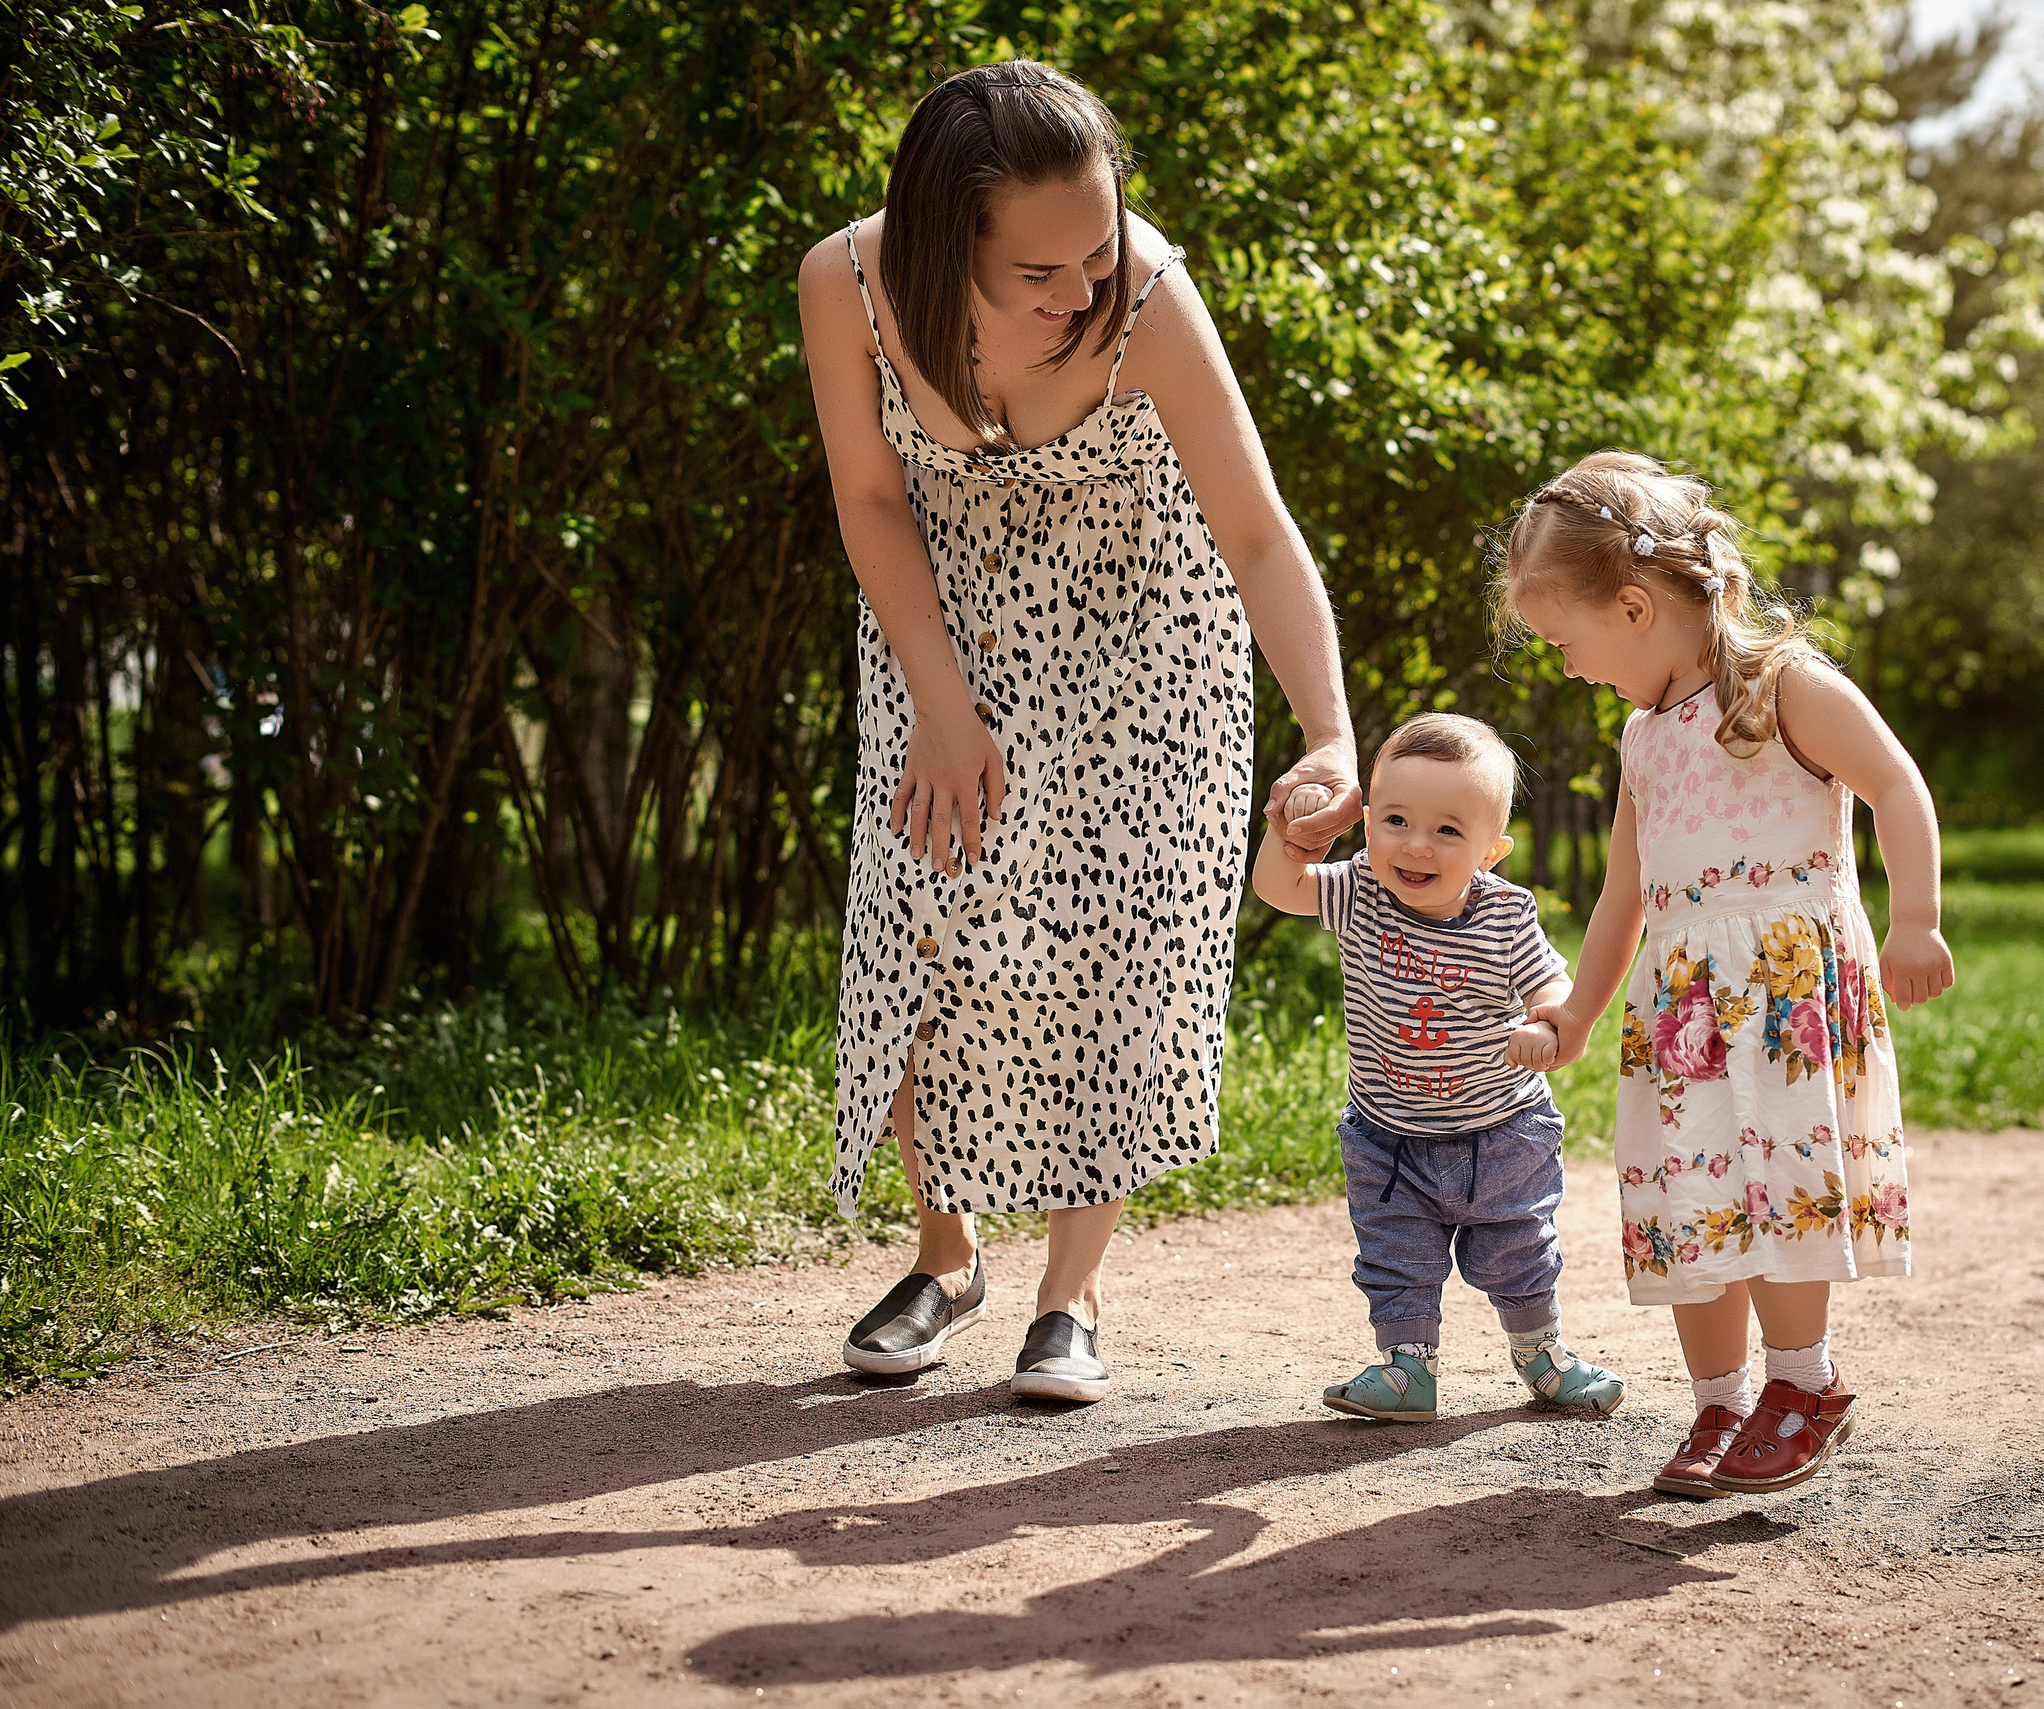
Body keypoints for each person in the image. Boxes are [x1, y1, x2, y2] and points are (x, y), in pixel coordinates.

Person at [798, 61, 1360, 1403]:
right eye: (1038, 271)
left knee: (1115, 949)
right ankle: (946, 1259)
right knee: (919, 926)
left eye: (1096, 250)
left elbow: (1256, 532)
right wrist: (942, 708)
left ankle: (1072, 1292)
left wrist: (1331, 732)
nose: (1079, 289)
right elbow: (869, 500)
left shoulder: (1147, 300)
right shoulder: (848, 285)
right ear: (946, 240)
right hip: (945, 629)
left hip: (1145, 641)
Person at [1498, 450, 1955, 1494]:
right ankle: (1721, 1399)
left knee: (1779, 1186)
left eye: (1566, 642)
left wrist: (1915, 920)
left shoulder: (1784, 687)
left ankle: (1805, 1384)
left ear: (1633, 606)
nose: (1568, 666)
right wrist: (1577, 1010)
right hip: (1684, 1013)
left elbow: (1895, 784)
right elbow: (1623, 892)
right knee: (1692, 1191)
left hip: (1785, 998)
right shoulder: (1642, 736)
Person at [1253, 712, 1627, 1423]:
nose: (1416, 845)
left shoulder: (1505, 913)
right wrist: (1289, 834)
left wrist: (1543, 1024)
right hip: (1388, 1134)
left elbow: (1550, 984)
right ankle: (1407, 1369)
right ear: (1366, 822)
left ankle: (1542, 1354)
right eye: (1395, 820)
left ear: (1491, 851)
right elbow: (1279, 887)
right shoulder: (1358, 888)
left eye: (1448, 830)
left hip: (1500, 1132)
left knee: (1519, 1247)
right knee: (1394, 1254)